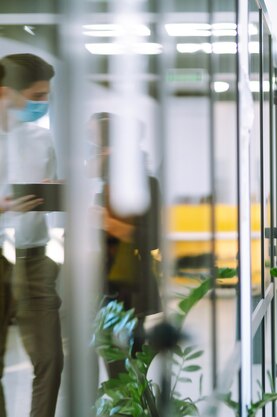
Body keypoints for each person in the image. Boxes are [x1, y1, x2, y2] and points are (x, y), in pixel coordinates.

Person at [0, 53, 62, 417]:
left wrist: (57, 192)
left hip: (35, 256)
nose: (43, 103)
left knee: (51, 359)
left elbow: (47, 195)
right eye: (37, 96)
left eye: (46, 96)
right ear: (6, 92)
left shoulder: (43, 139)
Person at [87, 112, 161, 378]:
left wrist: (109, 223)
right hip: (91, 285)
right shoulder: (95, 186)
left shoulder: (144, 184)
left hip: (126, 288)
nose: (96, 152)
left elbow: (152, 238)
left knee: (124, 367)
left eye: (101, 144)